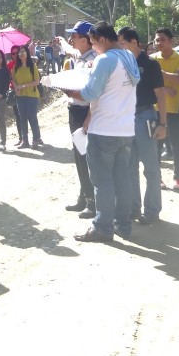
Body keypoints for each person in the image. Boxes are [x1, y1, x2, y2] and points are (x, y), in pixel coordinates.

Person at [64, 22, 140, 242]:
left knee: (102, 181)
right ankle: (123, 225)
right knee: (122, 179)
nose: (93, 47)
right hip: (125, 129)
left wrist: (67, 89)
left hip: (104, 129)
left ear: (103, 40)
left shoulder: (105, 59)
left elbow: (90, 93)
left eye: (94, 43)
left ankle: (102, 227)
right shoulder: (128, 57)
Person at [117, 26, 166, 224]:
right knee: (130, 166)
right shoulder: (120, 64)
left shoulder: (150, 64)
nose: (120, 47)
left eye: (122, 43)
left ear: (134, 42)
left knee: (150, 166)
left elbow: (161, 96)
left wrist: (163, 123)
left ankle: (152, 210)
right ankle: (133, 208)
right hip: (126, 119)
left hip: (146, 116)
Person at [64, 21, 97, 218]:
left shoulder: (93, 60)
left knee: (86, 157)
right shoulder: (81, 57)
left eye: (75, 36)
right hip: (75, 110)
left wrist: (89, 117)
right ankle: (84, 196)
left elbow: (94, 93)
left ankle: (92, 202)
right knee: (78, 156)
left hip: (84, 113)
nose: (71, 39)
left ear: (85, 39)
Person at [152, 28, 179, 190]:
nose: (158, 43)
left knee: (178, 144)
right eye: (156, 40)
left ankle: (178, 179)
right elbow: (147, 84)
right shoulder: (152, 59)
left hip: (177, 109)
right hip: (155, 108)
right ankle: (157, 178)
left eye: (162, 39)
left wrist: (158, 73)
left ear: (171, 41)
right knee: (156, 145)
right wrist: (164, 88)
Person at [11, 45, 43, 149]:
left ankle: (35, 138)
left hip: (32, 95)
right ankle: (25, 140)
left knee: (32, 116)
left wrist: (23, 86)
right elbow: (13, 79)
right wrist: (16, 88)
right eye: (19, 52)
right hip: (20, 96)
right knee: (22, 118)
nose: (20, 54)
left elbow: (37, 81)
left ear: (27, 53)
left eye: (23, 51)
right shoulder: (15, 67)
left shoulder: (32, 66)